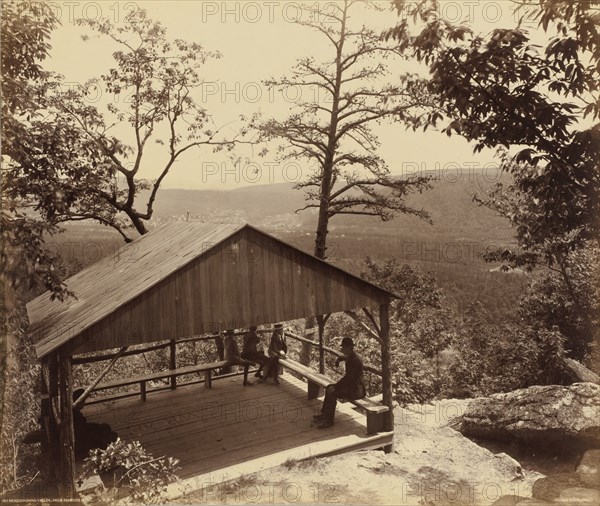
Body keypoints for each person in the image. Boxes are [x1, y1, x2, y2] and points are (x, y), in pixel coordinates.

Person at [314, 337, 366, 429]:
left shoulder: (355, 360)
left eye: (343, 347)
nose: (342, 349)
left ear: (349, 347)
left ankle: (329, 421)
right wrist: (339, 359)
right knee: (329, 387)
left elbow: (349, 379)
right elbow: (345, 357)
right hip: (351, 386)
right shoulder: (350, 356)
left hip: (356, 391)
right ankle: (324, 414)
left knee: (332, 393)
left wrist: (337, 386)